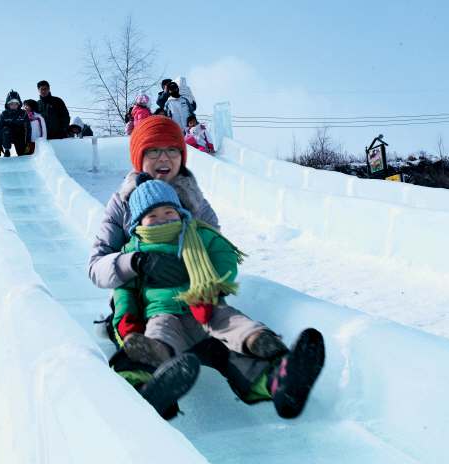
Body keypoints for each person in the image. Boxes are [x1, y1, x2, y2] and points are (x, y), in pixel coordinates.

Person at [88, 116, 325, 419]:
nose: (164, 158)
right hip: (144, 301)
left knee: (225, 339)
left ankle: (277, 382)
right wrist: (137, 261)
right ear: (139, 157)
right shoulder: (122, 203)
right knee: (147, 339)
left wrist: (208, 282)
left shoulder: (194, 201)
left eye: (173, 150)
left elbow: (218, 250)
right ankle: (149, 385)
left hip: (198, 300)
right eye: (153, 151)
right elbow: (97, 266)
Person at [0, 90, 31, 157]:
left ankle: (21, 152)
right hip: (8, 137)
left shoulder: (23, 114)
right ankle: (7, 151)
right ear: (8, 104)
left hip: (19, 136)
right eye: (11, 103)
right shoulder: (4, 114)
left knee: (22, 154)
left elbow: (28, 129)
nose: (14, 105)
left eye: (16, 103)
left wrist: (28, 143)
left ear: (19, 104)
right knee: (5, 130)